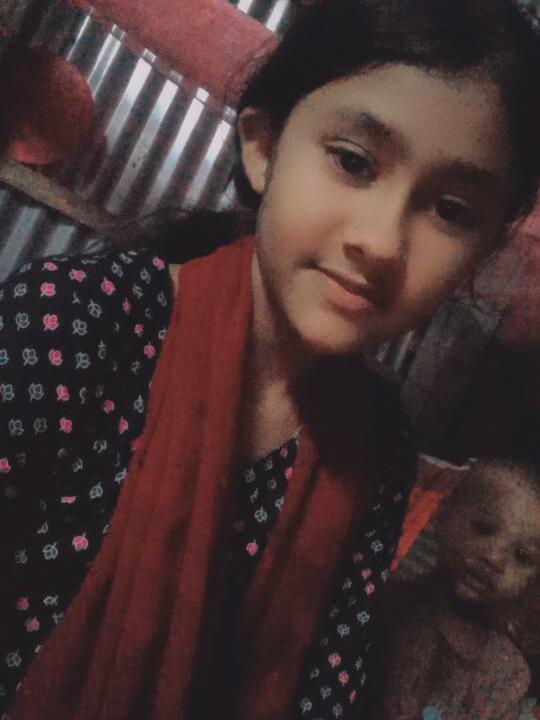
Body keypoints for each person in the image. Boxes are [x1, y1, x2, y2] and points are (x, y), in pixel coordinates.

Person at [1, 1, 540, 718]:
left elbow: (324, 692)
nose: (382, 242)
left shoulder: (378, 451)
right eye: (353, 162)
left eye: (451, 210)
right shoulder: (78, 322)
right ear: (263, 147)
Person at [370, 458, 540, 719]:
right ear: (443, 517)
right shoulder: (383, 604)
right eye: (483, 529)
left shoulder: (508, 671)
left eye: (522, 556)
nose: (493, 559)